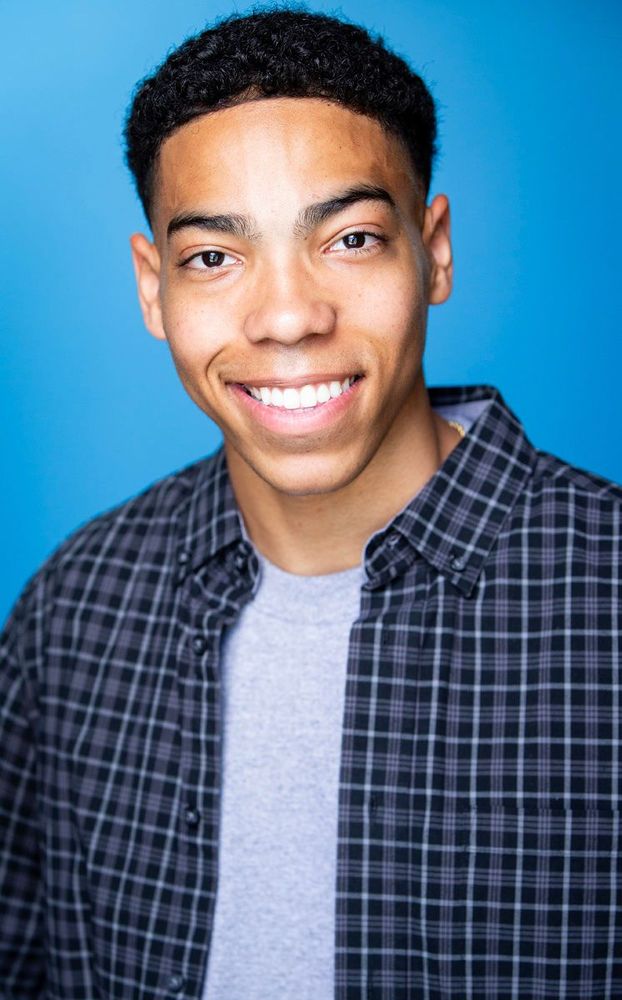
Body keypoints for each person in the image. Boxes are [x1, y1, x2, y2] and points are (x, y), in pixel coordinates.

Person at [1, 8, 621, 999]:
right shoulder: (73, 612)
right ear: (153, 288)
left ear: (434, 252)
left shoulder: (607, 604)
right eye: (214, 257)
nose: (288, 317)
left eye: (351, 239)